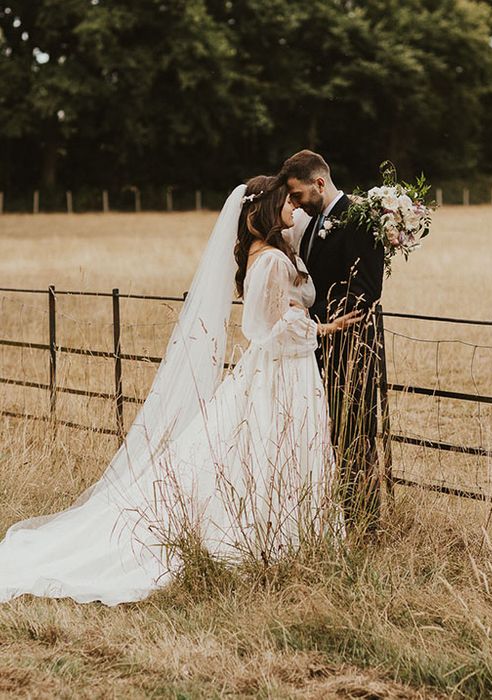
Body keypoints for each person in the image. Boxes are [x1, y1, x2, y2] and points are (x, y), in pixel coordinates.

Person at [0, 175, 360, 606]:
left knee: (262, 449)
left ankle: (286, 535)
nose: (295, 207)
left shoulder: (264, 253)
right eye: (287, 200)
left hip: (278, 370)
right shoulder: (272, 262)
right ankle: (273, 538)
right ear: (266, 209)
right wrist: (324, 326)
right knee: (268, 447)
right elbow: (270, 330)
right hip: (283, 369)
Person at [279, 150, 385, 535]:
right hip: (317, 344)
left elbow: (365, 291)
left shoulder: (359, 218)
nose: (293, 202)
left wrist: (313, 318)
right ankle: (331, 516)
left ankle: (364, 524)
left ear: (318, 183)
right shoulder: (313, 222)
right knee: (324, 433)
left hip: (350, 347)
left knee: (354, 434)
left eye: (297, 194)